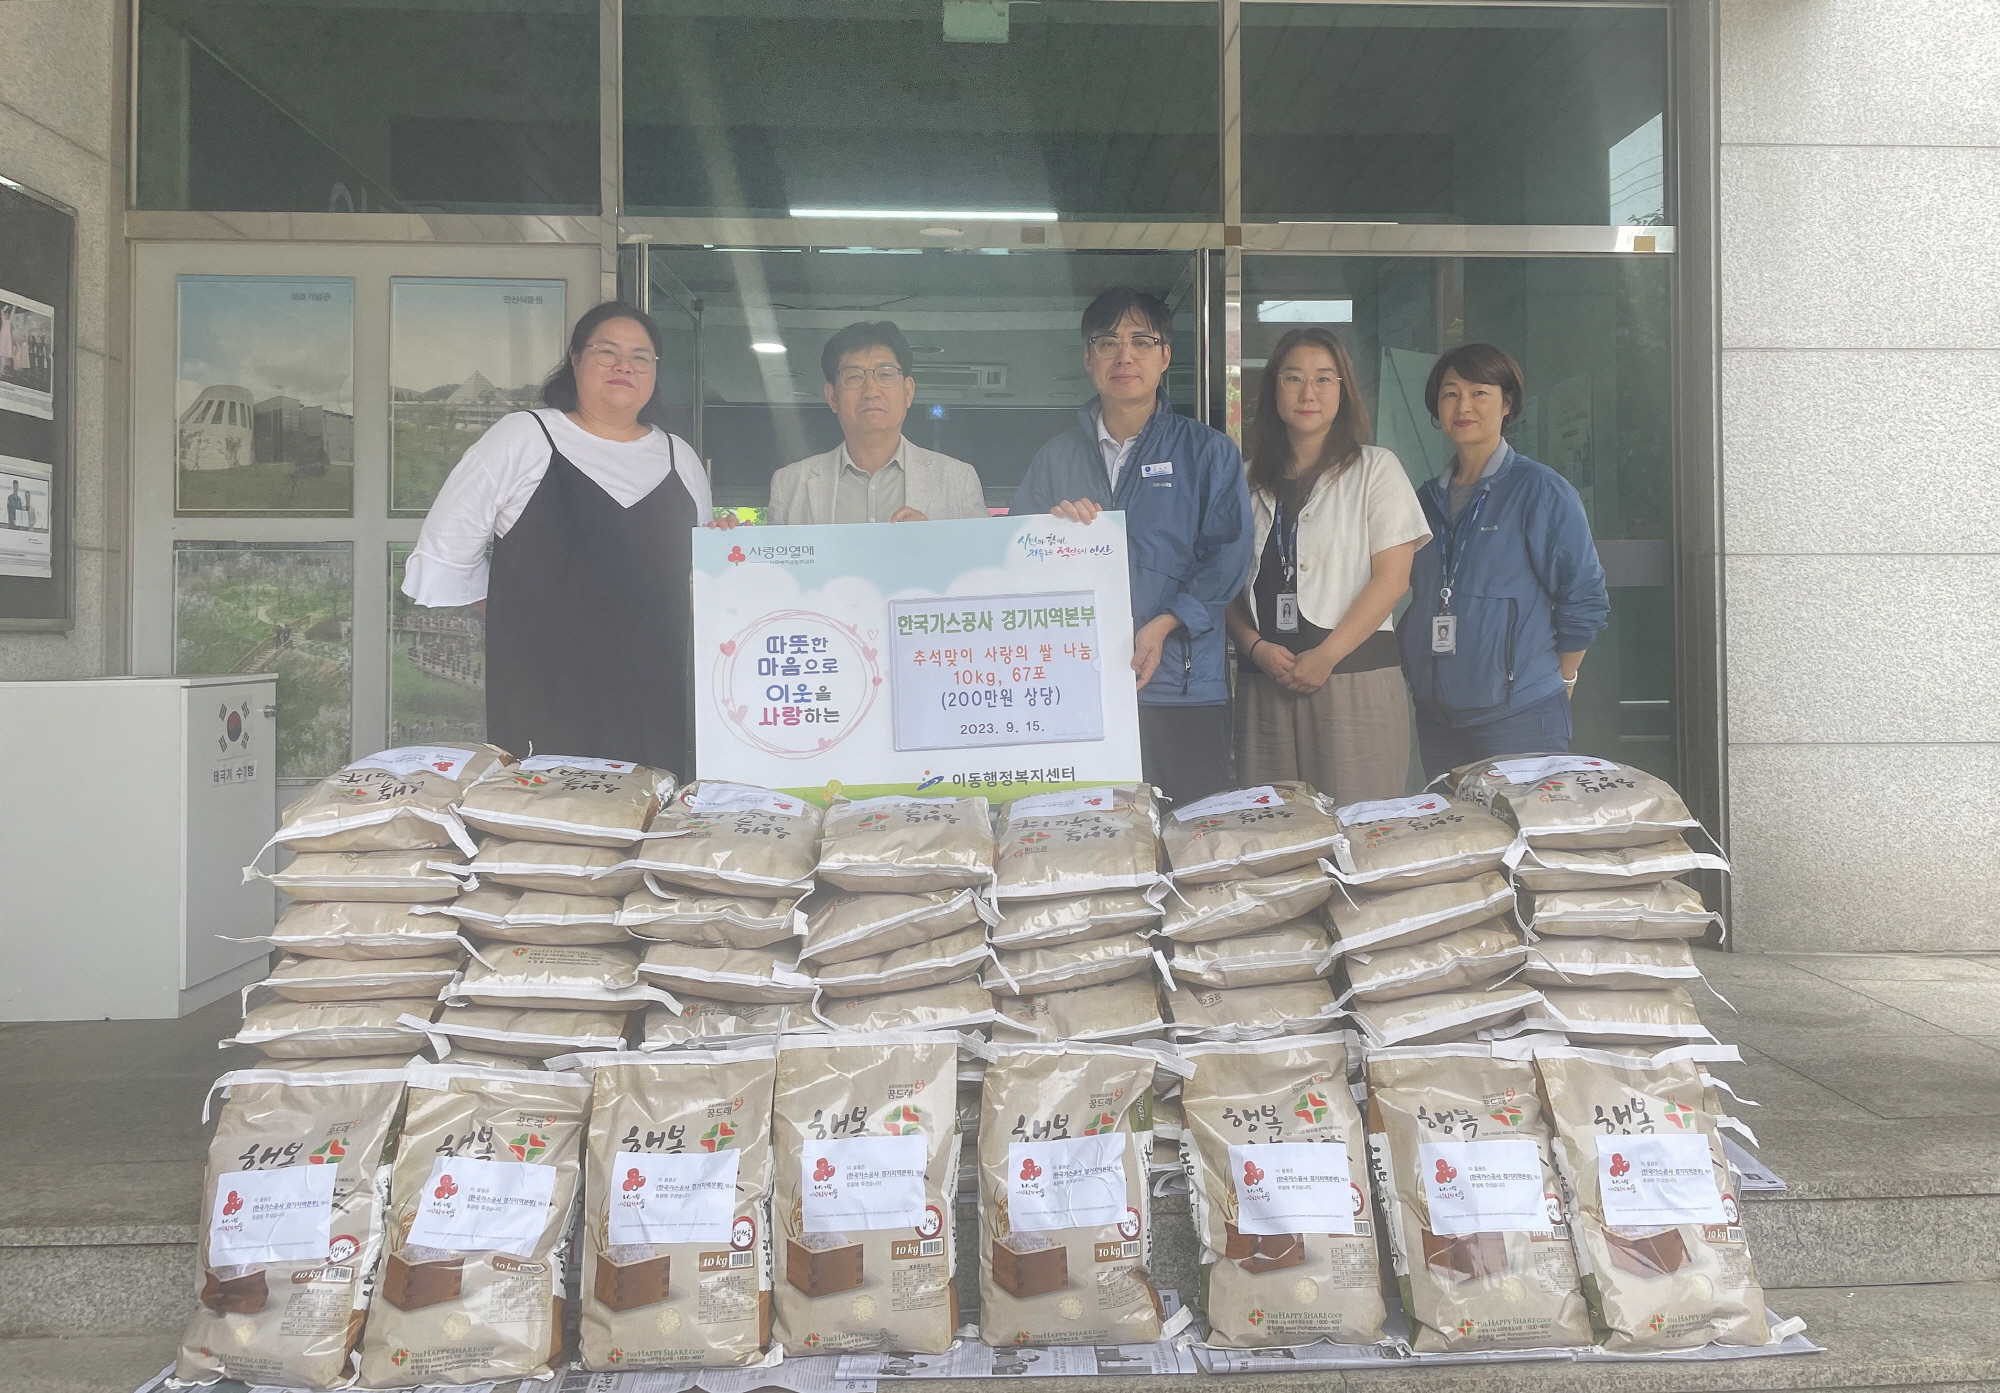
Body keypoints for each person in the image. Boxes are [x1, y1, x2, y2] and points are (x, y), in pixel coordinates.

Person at [403, 301, 715, 773]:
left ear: (654, 370)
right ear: (575, 358)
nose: (623, 366)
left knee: (649, 820)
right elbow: (448, 548)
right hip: (543, 690)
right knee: (550, 825)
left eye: (641, 357)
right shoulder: (525, 437)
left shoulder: (680, 459)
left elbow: (698, 580)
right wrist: (526, 614)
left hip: (653, 691)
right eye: (607, 352)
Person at [1010, 288, 1252, 805]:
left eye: (1142, 341)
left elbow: (1228, 557)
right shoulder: (1054, 459)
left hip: (1181, 688)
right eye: (1108, 342)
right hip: (1076, 691)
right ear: (1088, 357)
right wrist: (1049, 536)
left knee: (1190, 840)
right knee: (1091, 845)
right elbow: (1014, 564)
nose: (1124, 356)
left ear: (1165, 356)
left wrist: (1165, 624)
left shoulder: (1208, 452)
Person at [1226, 327, 1430, 803]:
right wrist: (1254, 648)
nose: (1308, 393)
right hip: (1265, 680)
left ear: (1344, 390)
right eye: (1293, 378)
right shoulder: (1244, 479)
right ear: (1274, 387)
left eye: (1324, 379)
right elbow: (1222, 585)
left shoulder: (1376, 469)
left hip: (1352, 676)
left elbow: (1393, 578)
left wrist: (1327, 655)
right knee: (1276, 836)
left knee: (1359, 831)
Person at [1398, 342, 1609, 780]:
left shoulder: (1540, 490)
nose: (1464, 405)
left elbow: (1583, 595)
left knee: (1525, 839)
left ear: (1507, 403)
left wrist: (1562, 678)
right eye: (1451, 392)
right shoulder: (1424, 500)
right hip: (1438, 716)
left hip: (1520, 714)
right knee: (1460, 842)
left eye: (1480, 392)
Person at [768, 320, 987, 524]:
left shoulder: (958, 479)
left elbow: (984, 560)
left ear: (908, 391)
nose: (871, 391)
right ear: (833, 397)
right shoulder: (789, 485)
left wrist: (935, 542)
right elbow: (771, 564)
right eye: (854, 376)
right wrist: (734, 539)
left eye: (885, 374)